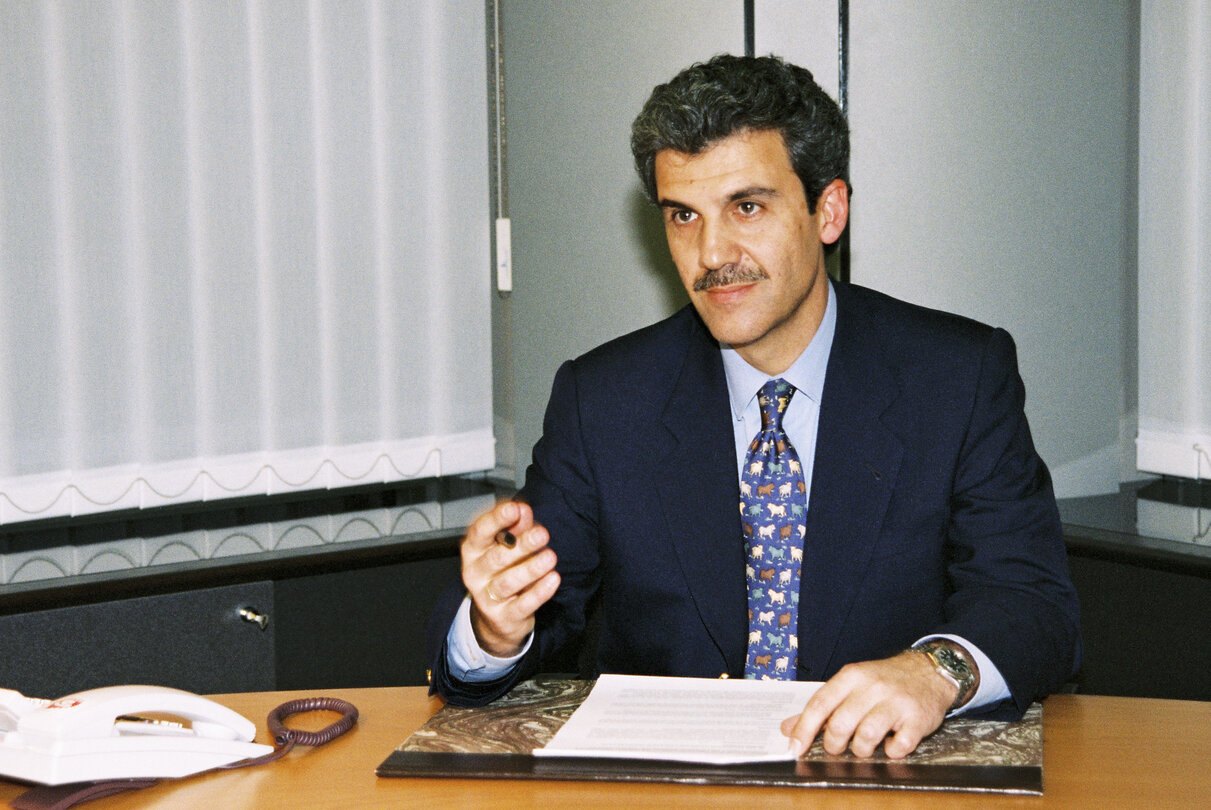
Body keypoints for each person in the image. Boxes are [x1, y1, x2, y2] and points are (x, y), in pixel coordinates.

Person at [426, 54, 1080, 759]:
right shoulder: (606, 397)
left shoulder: (954, 376)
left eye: (747, 207)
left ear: (827, 210)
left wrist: (934, 670)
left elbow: (1031, 602)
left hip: (880, 782)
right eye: (683, 215)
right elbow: (533, 609)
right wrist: (495, 628)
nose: (712, 253)